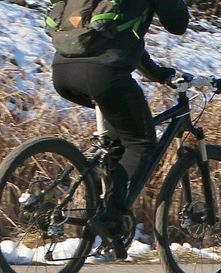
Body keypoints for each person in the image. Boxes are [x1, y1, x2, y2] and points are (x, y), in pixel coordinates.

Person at [51, 0, 189, 256]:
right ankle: (109, 219)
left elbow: (120, 36)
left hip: (63, 72)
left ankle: (99, 195)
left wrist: (158, 73)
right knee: (141, 143)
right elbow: (178, 24)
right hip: (104, 75)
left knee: (119, 139)